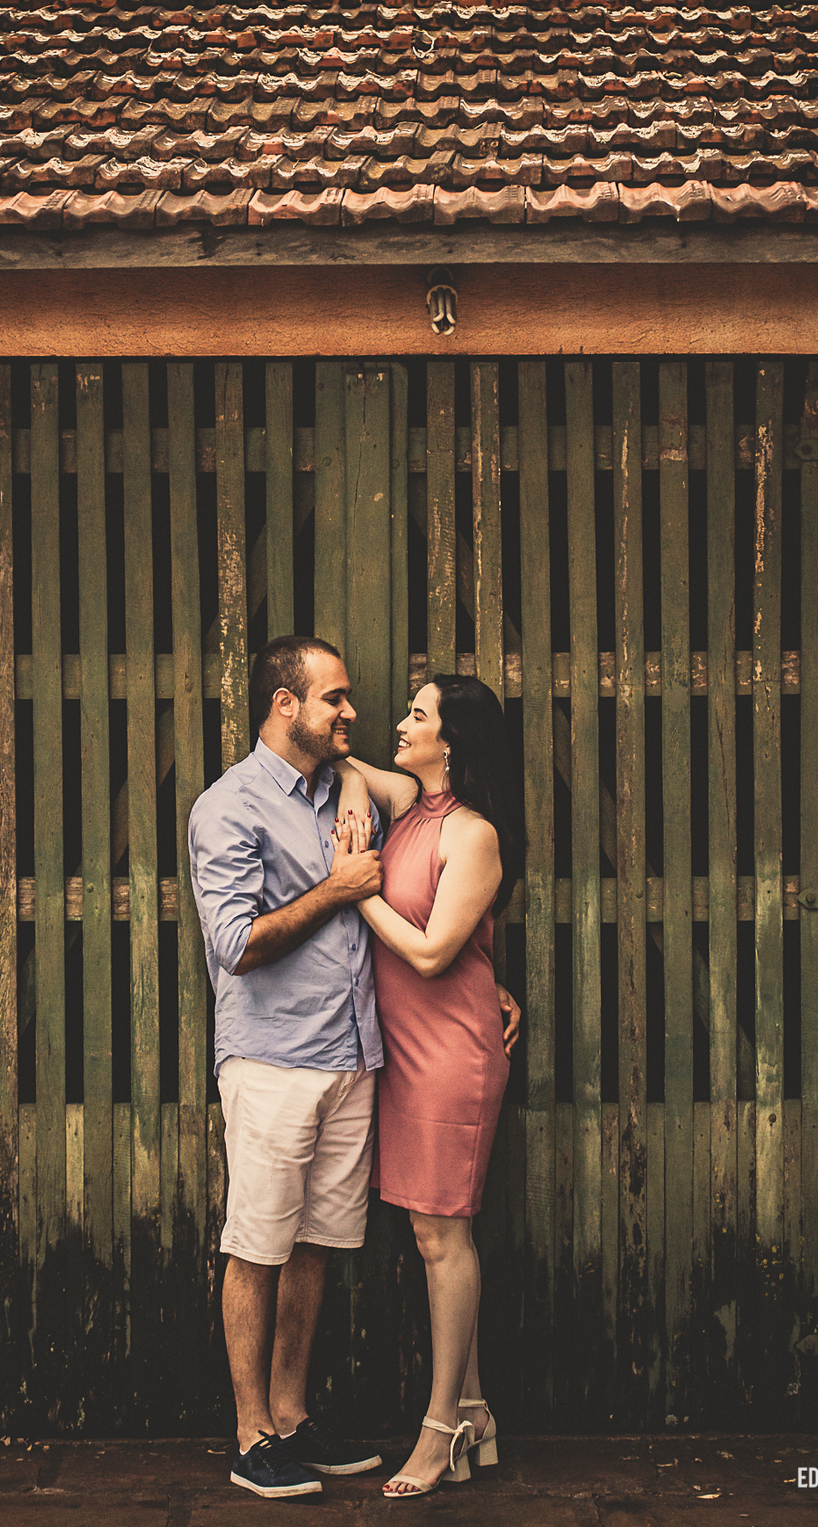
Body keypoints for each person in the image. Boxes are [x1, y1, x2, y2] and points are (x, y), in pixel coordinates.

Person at [189, 638, 521, 1501]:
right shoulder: (231, 805)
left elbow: (439, 911)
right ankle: (251, 1433)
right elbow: (234, 943)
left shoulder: (362, 792)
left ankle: (294, 1419)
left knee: (320, 1244)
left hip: (359, 1055)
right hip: (273, 1055)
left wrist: (490, 982)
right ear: (284, 704)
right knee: (257, 1243)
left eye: (361, 703)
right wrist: (342, 889)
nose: (355, 713)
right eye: (335, 699)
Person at [334, 673, 524, 1499]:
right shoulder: (411, 802)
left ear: (452, 740)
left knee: (444, 1238)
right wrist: (347, 778)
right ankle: (476, 1410)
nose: (400, 724)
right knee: (429, 1237)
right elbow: (349, 766)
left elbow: (429, 952)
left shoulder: (473, 833)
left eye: (417, 714)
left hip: (451, 1056)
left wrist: (356, 887)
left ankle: (441, 1426)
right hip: (404, 1053)